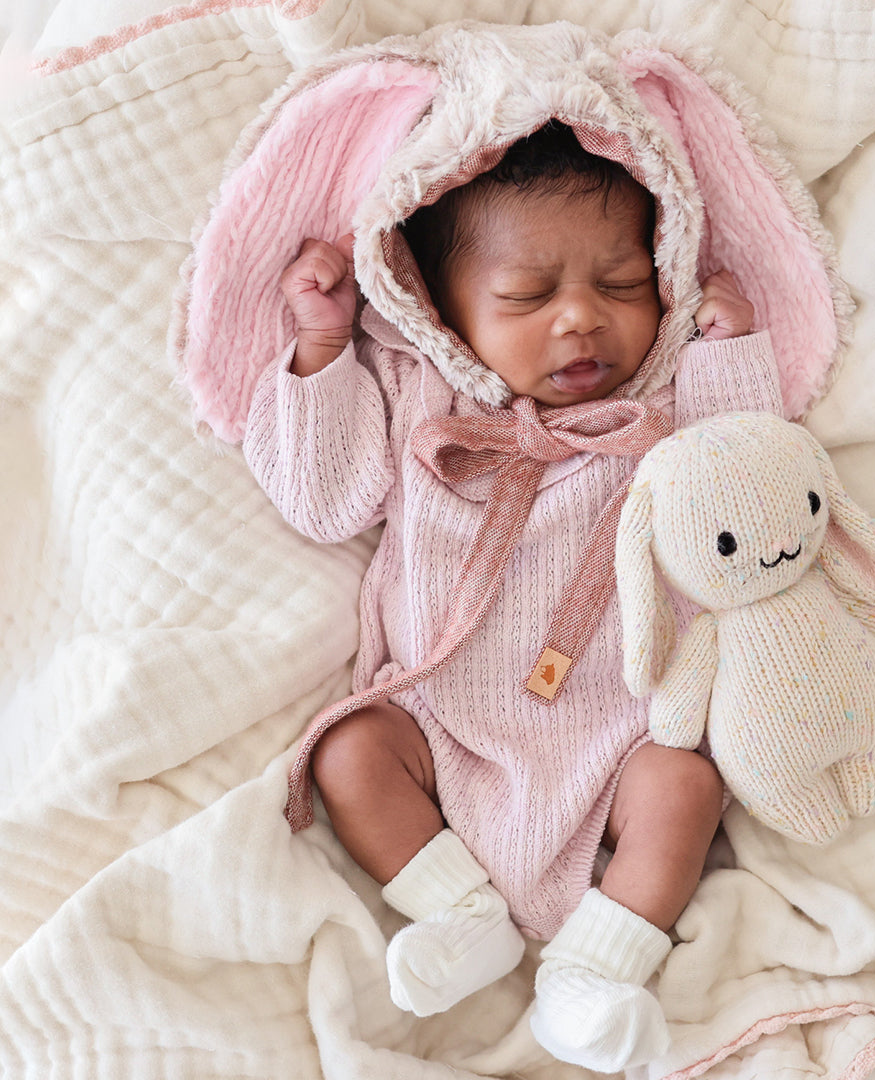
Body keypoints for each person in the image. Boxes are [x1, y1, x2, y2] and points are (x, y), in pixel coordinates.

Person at [244, 121, 780, 1072]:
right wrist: (324, 347)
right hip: (443, 720)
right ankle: (457, 911)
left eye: (620, 286)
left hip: (616, 734)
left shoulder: (658, 410)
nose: (580, 318)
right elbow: (326, 501)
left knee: (686, 786)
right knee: (349, 750)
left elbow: (746, 483)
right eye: (527, 297)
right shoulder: (422, 398)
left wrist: (729, 353)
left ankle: (597, 967)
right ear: (441, 316)